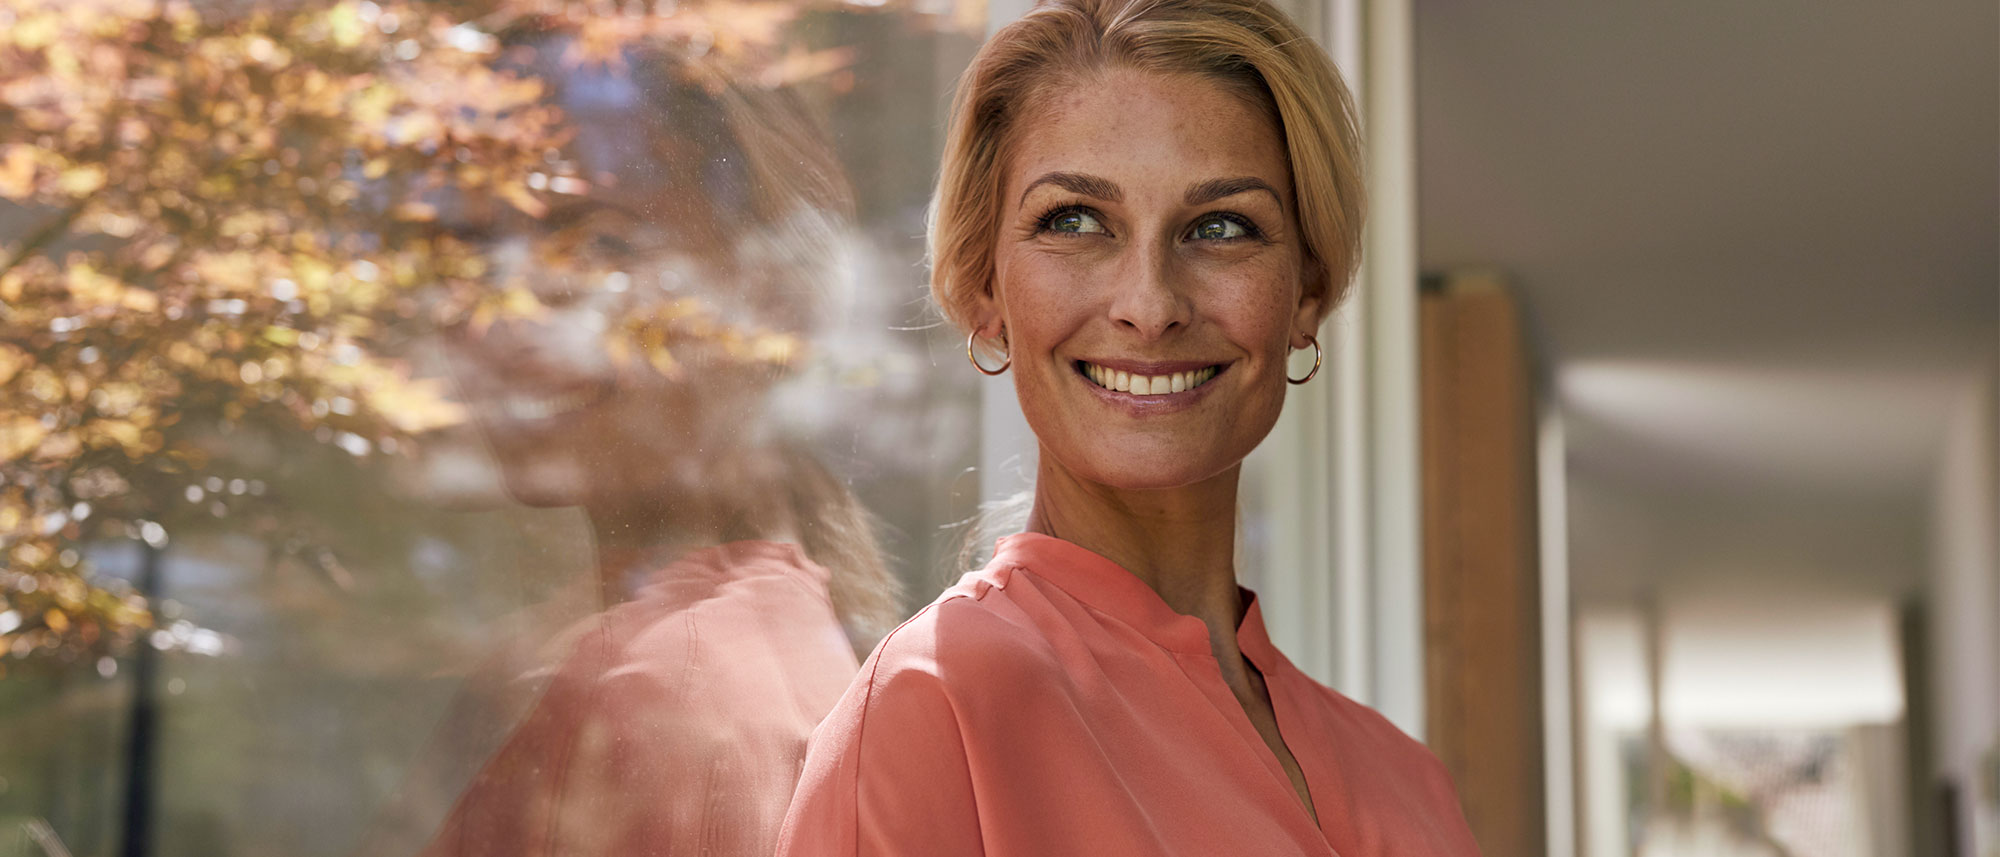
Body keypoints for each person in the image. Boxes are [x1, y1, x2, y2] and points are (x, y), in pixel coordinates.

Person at [773, 0, 1480, 853]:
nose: (1150, 305)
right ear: (983, 287)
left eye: (1221, 227)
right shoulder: (929, 709)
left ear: (1308, 292)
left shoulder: (1410, 784)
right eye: (1074, 220)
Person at [357, 25, 903, 857]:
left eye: (601, 243)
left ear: (771, 292)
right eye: (466, 251)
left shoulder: (659, 694)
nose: (505, 316)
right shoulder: (742, 637)